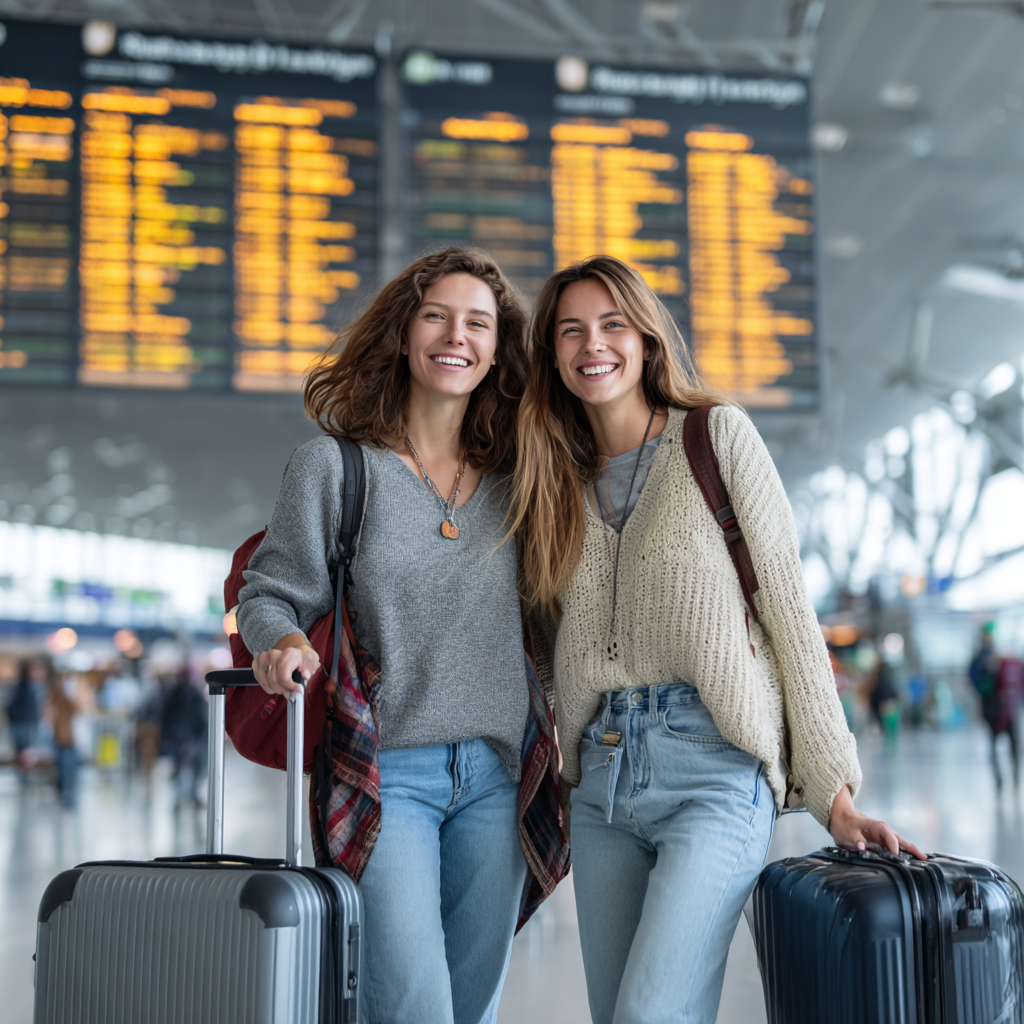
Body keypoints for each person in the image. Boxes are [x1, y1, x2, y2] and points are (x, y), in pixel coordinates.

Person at [509, 255, 923, 1024]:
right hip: (600, 786)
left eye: (611, 324)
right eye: (570, 331)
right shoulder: (550, 478)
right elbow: (539, 637)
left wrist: (833, 791)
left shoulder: (713, 437)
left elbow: (790, 615)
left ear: (646, 337)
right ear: (552, 355)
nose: (591, 344)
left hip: (715, 772)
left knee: (649, 1014)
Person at [237, 248, 536, 1024]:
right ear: (405, 332)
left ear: (498, 349)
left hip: (499, 777)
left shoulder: (522, 480)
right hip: (385, 773)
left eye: (478, 322)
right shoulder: (335, 469)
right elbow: (270, 592)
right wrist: (280, 641)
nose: (455, 335)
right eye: (436, 314)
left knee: (471, 1009)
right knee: (414, 1008)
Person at [969, 625, 1020, 790]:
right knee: (1000, 744)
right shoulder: (983, 661)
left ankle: (1013, 776)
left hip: (1002, 709)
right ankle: (1002, 778)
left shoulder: (996, 659)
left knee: (1011, 744)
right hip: (997, 709)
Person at [161, 669, 208, 809]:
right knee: (196, 768)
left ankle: (180, 798)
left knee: (181, 768)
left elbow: (167, 716)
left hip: (180, 737)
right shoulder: (194, 693)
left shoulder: (173, 694)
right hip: (192, 736)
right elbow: (202, 716)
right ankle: (192, 796)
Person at [46, 673, 81, 808]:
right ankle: (62, 794)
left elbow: (77, 710)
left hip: (68, 739)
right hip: (57, 738)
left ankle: (68, 795)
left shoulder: (67, 698)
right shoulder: (53, 697)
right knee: (61, 769)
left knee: (68, 769)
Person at [5, 660, 41, 785]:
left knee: (25, 753)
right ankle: (24, 780)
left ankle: (25, 779)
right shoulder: (23, 688)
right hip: (24, 725)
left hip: (26, 724)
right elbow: (10, 708)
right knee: (24, 753)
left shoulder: (31, 687)